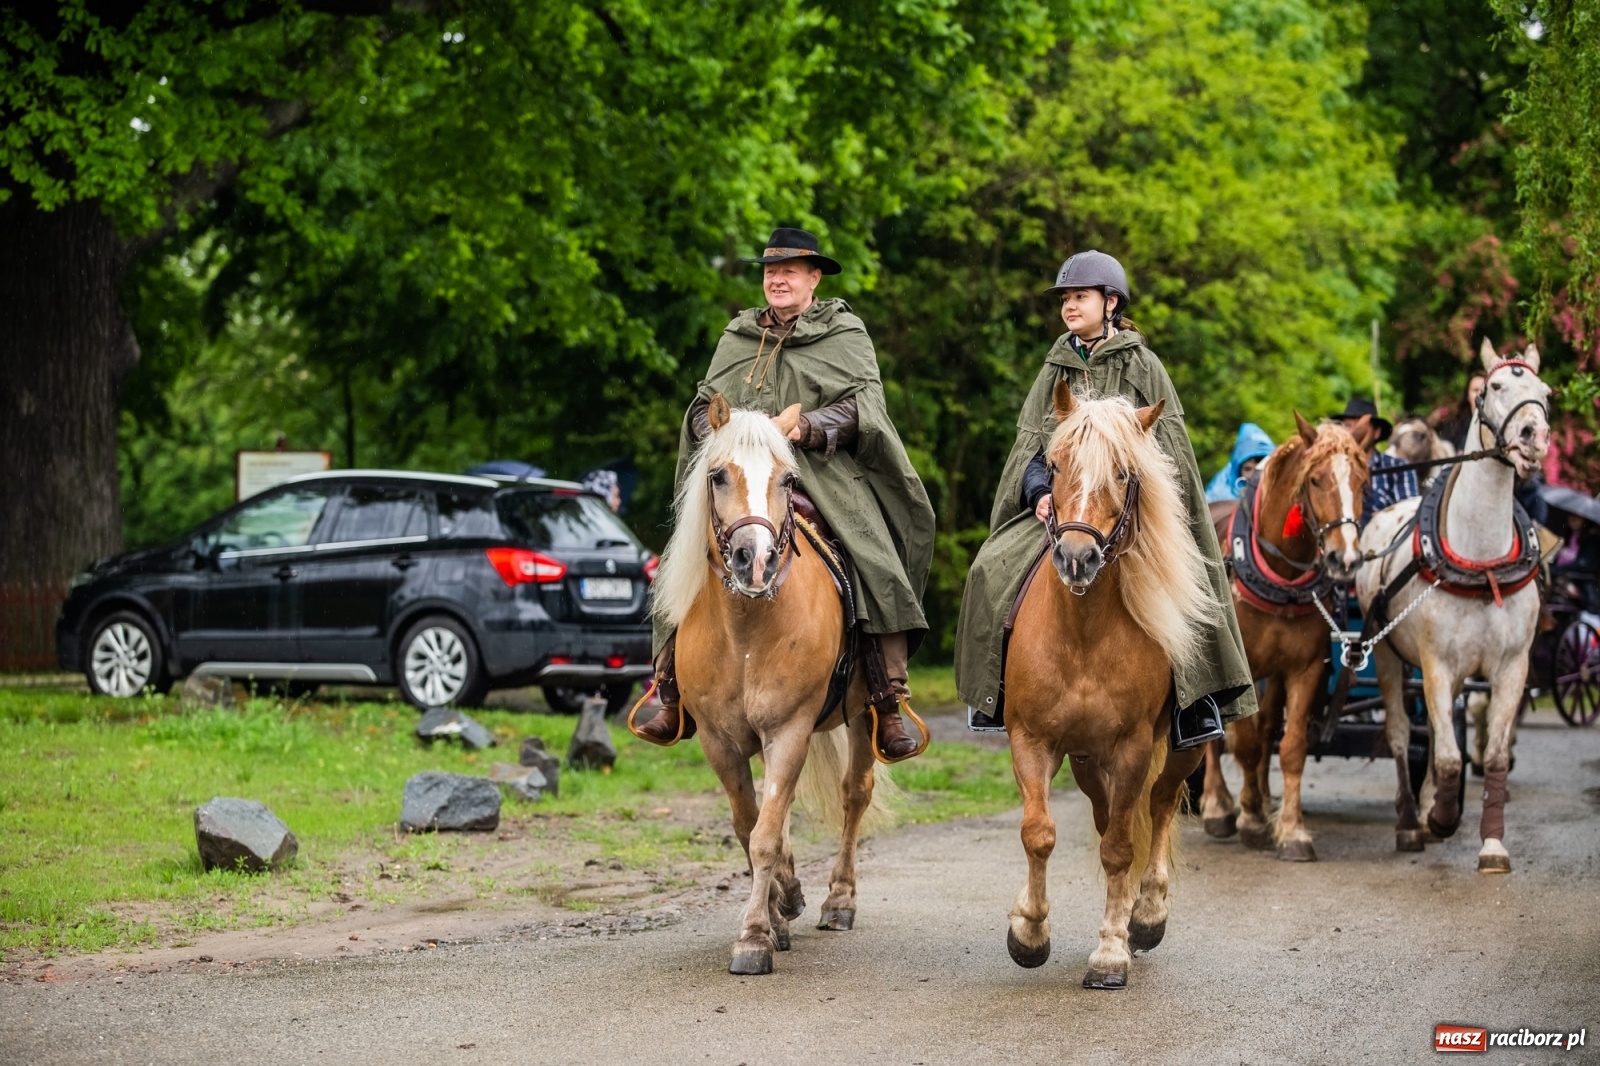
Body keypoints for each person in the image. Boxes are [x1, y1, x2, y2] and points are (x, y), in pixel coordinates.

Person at [634, 228, 936, 762]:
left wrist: (807, 428)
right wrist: (720, 433)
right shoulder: (737, 336)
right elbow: (703, 406)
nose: (778, 278)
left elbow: (866, 409)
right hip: (740, 471)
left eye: (791, 270)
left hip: (818, 469)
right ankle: (669, 686)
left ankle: (887, 699)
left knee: (875, 557)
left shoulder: (844, 333)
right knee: (683, 556)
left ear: (814, 278)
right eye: (771, 270)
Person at [955, 250, 1256, 749]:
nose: (1070, 306)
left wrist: (1131, 498)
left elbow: (1169, 456)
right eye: (1065, 299)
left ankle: (1195, 702)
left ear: (1110, 302)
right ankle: (998, 693)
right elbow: (1033, 450)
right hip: (1064, 508)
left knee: (1193, 584)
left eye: (1080, 297)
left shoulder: (1144, 366)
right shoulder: (1056, 366)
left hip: (1131, 515)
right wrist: (1037, 494)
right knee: (989, 567)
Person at [1330, 398, 1417, 525]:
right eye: (1348, 426)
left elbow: (1409, 517)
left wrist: (1384, 519)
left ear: (1377, 433)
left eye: (1361, 426)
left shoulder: (1399, 468)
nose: (1354, 432)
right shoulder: (1331, 470)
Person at [1204, 423, 1275, 504]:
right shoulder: (1219, 489)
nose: (1253, 474)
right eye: (1248, 469)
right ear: (1238, 470)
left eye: (1260, 468)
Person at [1429, 370, 1488, 453]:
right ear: (1467, 395)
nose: (1480, 394)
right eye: (1475, 390)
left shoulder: (1497, 426)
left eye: (1483, 389)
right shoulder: (1454, 425)